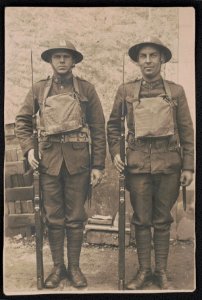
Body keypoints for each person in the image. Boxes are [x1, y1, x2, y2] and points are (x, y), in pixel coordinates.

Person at [15, 40, 106, 289]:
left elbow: (99, 128)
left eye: (66, 57)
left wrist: (98, 165)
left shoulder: (87, 90)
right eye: (57, 57)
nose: (62, 61)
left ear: (74, 61)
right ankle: (58, 267)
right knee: (53, 217)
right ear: (50, 61)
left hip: (78, 162)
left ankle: (74, 268)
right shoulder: (38, 89)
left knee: (75, 218)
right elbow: (22, 120)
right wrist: (29, 149)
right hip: (48, 162)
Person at [107, 37, 194, 290]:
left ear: (162, 59)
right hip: (137, 166)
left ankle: (162, 272)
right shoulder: (126, 91)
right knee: (141, 220)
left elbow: (187, 130)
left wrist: (188, 166)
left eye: (152, 56)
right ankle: (144, 271)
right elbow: (113, 125)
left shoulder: (176, 91)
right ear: (137, 61)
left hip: (168, 164)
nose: (147, 61)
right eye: (143, 56)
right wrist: (116, 153)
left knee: (162, 219)